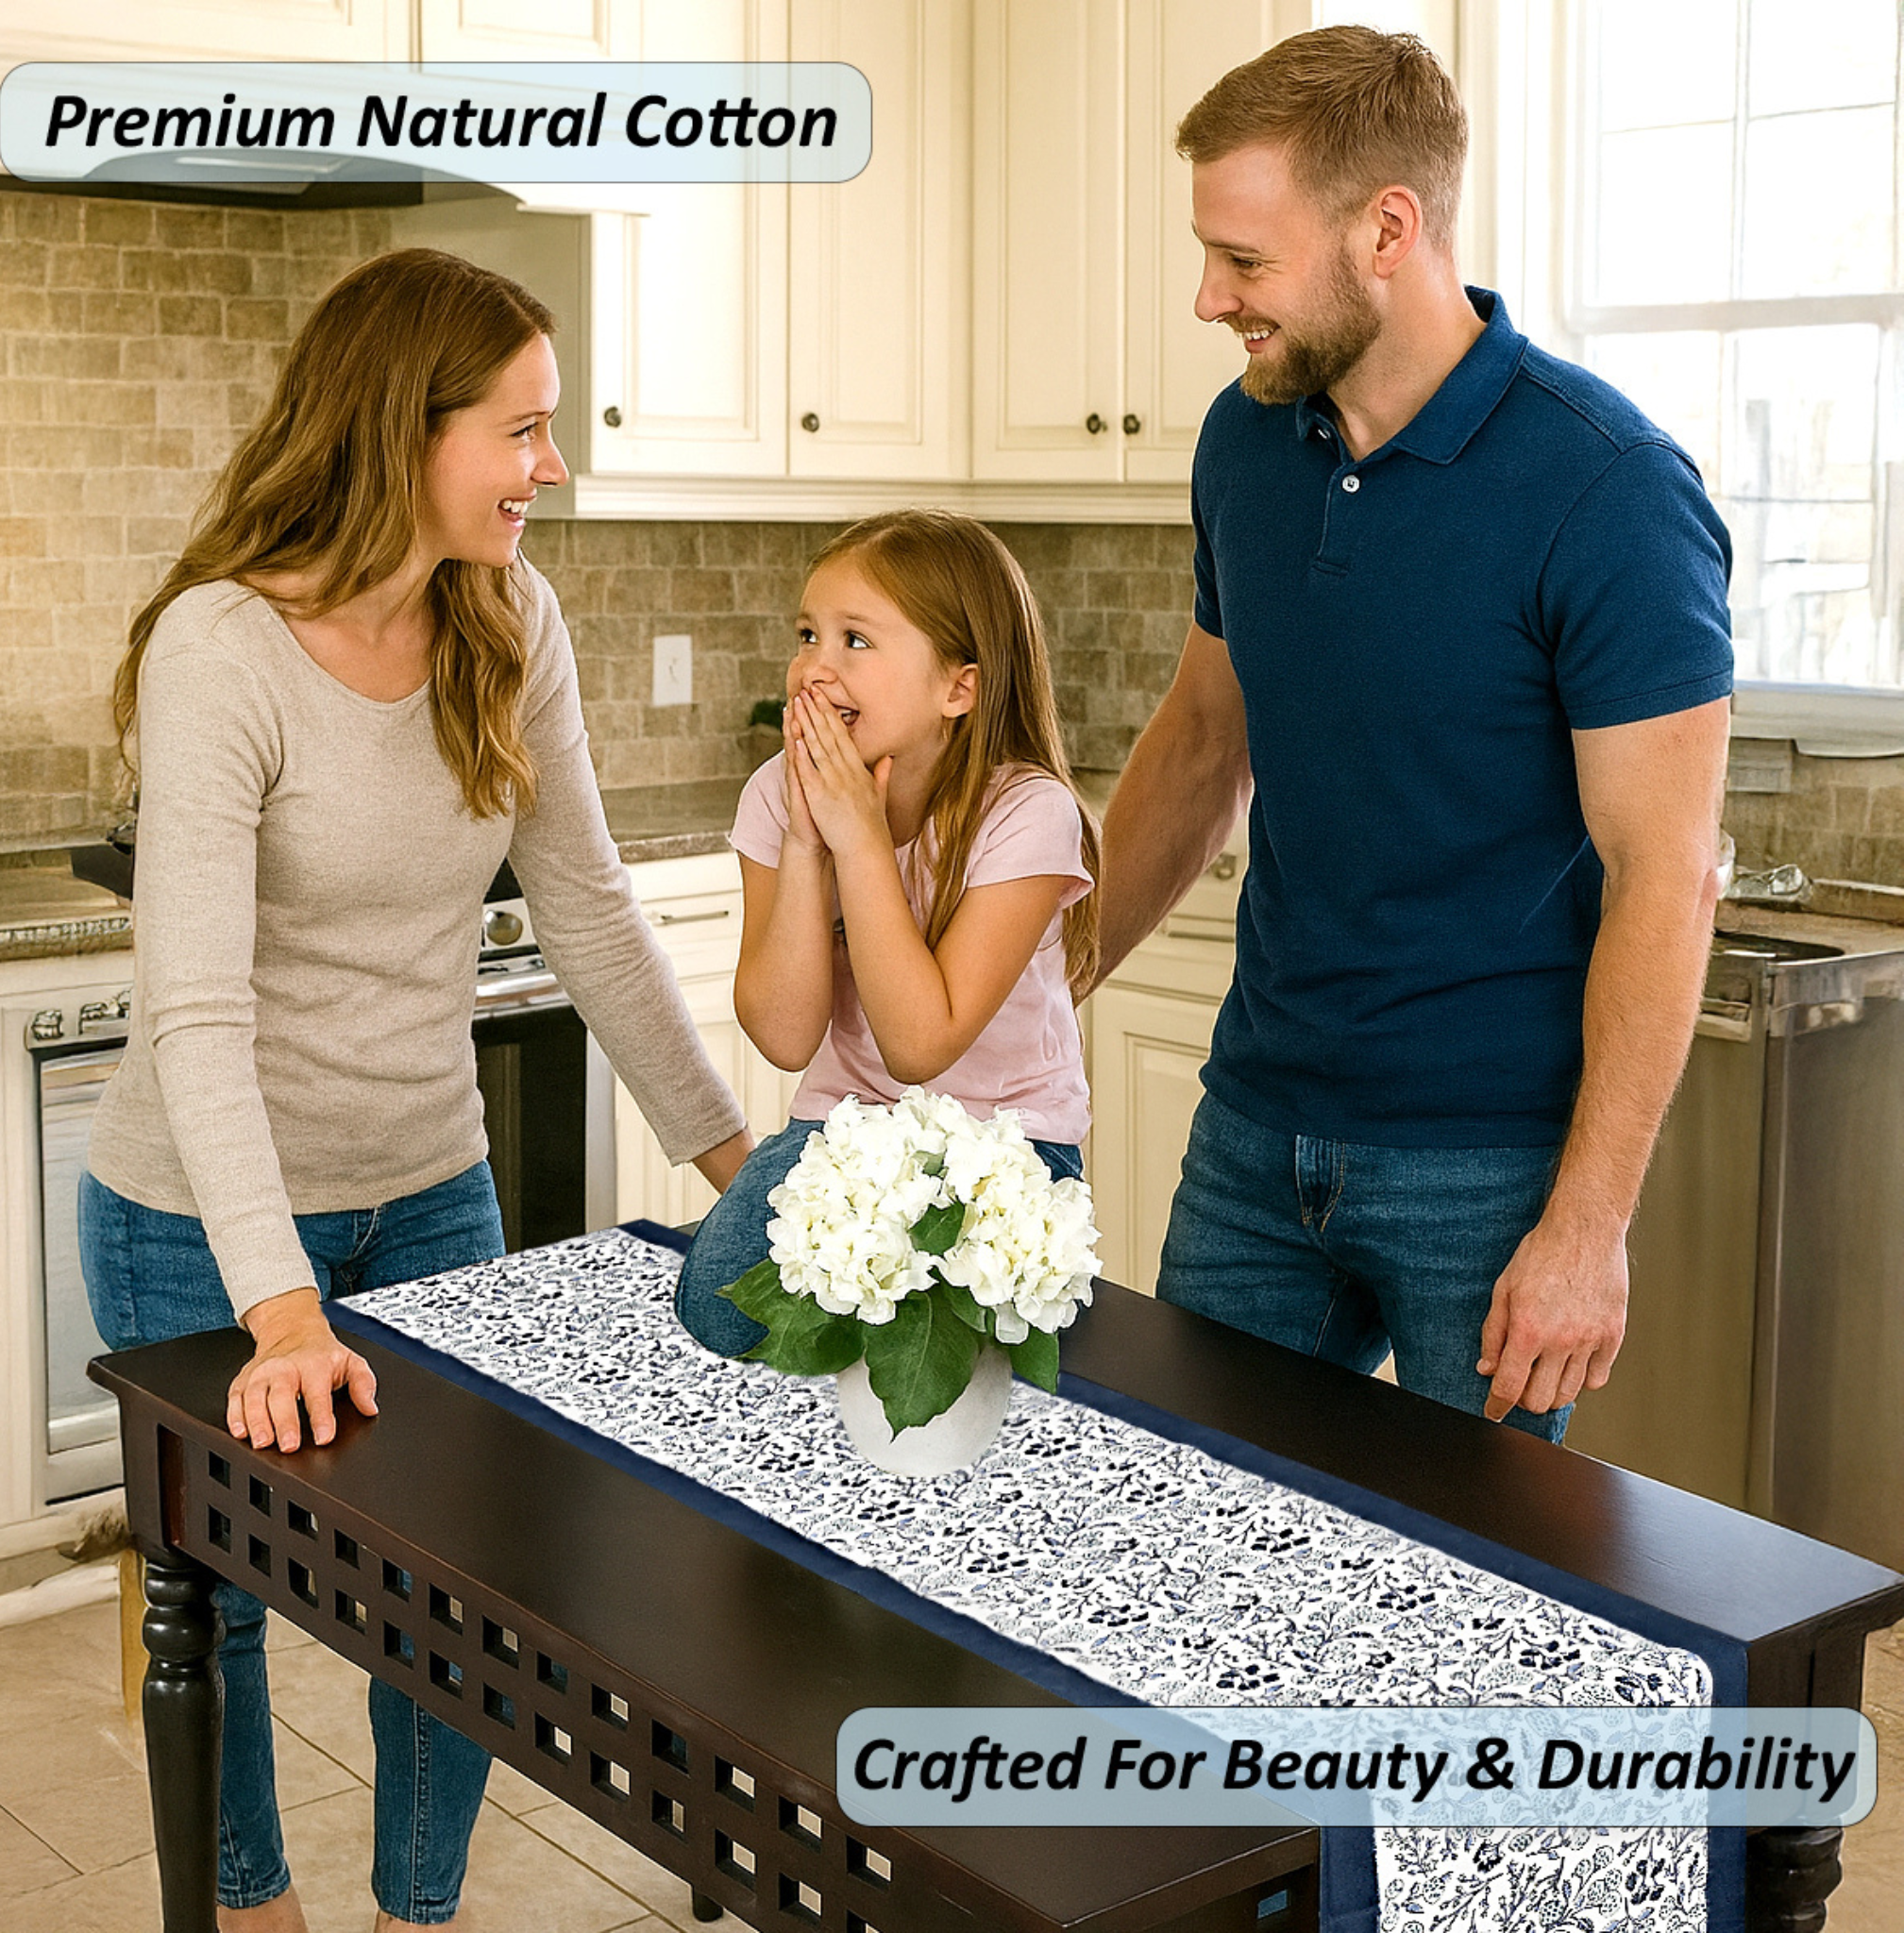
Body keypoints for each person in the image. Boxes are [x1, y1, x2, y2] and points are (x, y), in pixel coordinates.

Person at [78, 248, 752, 1933]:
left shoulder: (509, 620)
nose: (552, 465)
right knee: (217, 1601)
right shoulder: (221, 648)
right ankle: (249, 1906)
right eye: (520, 429)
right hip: (199, 1219)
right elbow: (195, 1008)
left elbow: (589, 912)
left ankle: (415, 1912)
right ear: (405, 428)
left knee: (457, 1601)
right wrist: (284, 1307)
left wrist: (741, 1161)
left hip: (430, 1183)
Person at [1100, 27, 1732, 1441]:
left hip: (1488, 1172)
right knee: (1187, 1519)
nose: (1209, 298)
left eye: (1245, 262)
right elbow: (1205, 743)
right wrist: (1031, 984)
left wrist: (1587, 1228)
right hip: (1256, 1129)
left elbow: (1667, 877)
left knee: (1477, 1599)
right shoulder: (1244, 444)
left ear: (1389, 228)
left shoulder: (1607, 488)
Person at [674, 511, 1099, 1351]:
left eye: (855, 641)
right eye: (807, 634)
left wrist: (860, 840)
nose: (813, 669)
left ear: (958, 688)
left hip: (1003, 1140)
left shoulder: (1026, 814)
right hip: (846, 1125)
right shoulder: (777, 794)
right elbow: (786, 1036)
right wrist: (805, 840)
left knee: (940, 1341)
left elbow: (918, 1046)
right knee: (718, 1309)